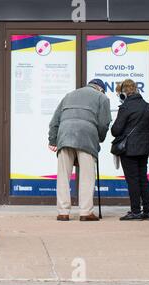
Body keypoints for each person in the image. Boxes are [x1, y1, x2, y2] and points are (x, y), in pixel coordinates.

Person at [48, 79, 112, 222]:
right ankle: (85, 212)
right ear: (101, 89)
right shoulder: (102, 98)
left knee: (63, 175)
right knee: (87, 176)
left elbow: (54, 121)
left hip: (64, 136)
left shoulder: (69, 95)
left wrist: (52, 140)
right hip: (86, 137)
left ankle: (63, 212)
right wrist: (99, 138)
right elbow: (104, 123)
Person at [111, 79, 149, 221]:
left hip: (129, 149)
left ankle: (135, 211)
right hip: (144, 147)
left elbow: (116, 130)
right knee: (143, 178)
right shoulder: (148, 107)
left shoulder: (126, 107)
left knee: (133, 180)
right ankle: (148, 211)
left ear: (124, 93)